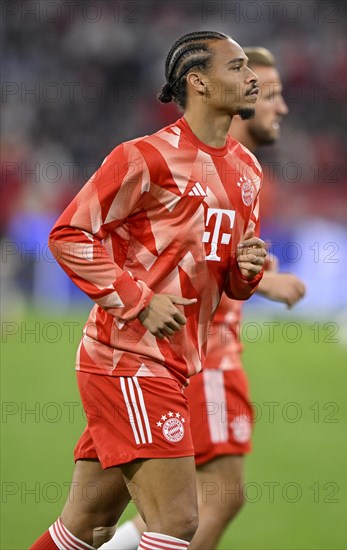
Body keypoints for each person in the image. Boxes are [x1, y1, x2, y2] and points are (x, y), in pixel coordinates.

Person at [30, 31, 267, 550]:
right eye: (237, 67)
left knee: (86, 527)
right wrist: (138, 300)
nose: (252, 78)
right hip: (127, 360)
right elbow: (69, 234)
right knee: (180, 520)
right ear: (198, 81)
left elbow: (230, 282)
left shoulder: (248, 171)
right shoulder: (144, 157)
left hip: (176, 362)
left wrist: (246, 269)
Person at [101, 47, 306, 550]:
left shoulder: (247, 172)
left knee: (99, 516)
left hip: (188, 357)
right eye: (269, 93)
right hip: (188, 357)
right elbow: (88, 236)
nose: (277, 106)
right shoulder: (180, 163)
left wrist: (254, 274)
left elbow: (222, 255)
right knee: (203, 504)